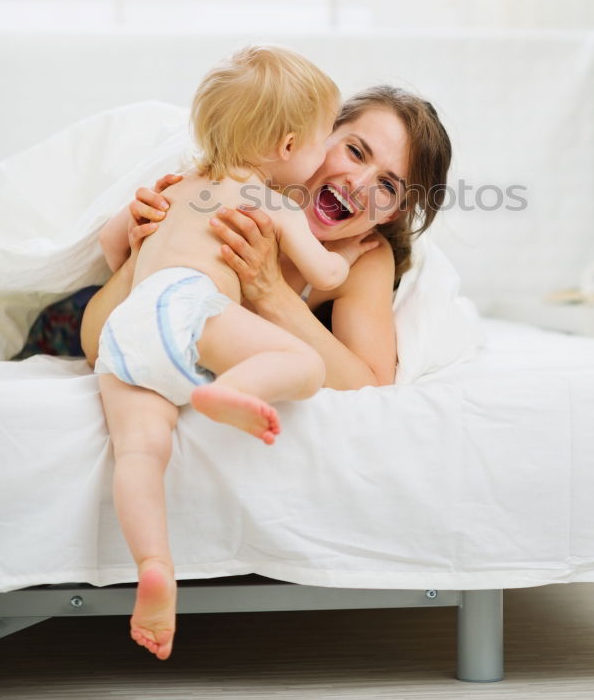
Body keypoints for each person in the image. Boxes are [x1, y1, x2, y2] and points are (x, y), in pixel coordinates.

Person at [79, 82, 452, 652]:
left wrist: (271, 291)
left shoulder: (364, 256)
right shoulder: (232, 191)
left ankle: (157, 564)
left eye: (388, 186)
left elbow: (368, 381)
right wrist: (139, 253)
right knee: (58, 327)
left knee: (143, 445)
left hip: (182, 335)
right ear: (309, 139)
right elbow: (98, 337)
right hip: (105, 318)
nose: (358, 183)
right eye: (354, 151)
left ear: (397, 211)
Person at [94, 46, 364, 661]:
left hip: (127, 329)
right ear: (290, 146)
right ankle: (235, 389)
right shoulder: (266, 200)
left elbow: (114, 241)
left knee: (138, 450)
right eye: (327, 139)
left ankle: (154, 565)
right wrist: (352, 254)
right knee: (305, 364)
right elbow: (322, 273)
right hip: (190, 309)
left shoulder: (180, 185)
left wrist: (138, 257)